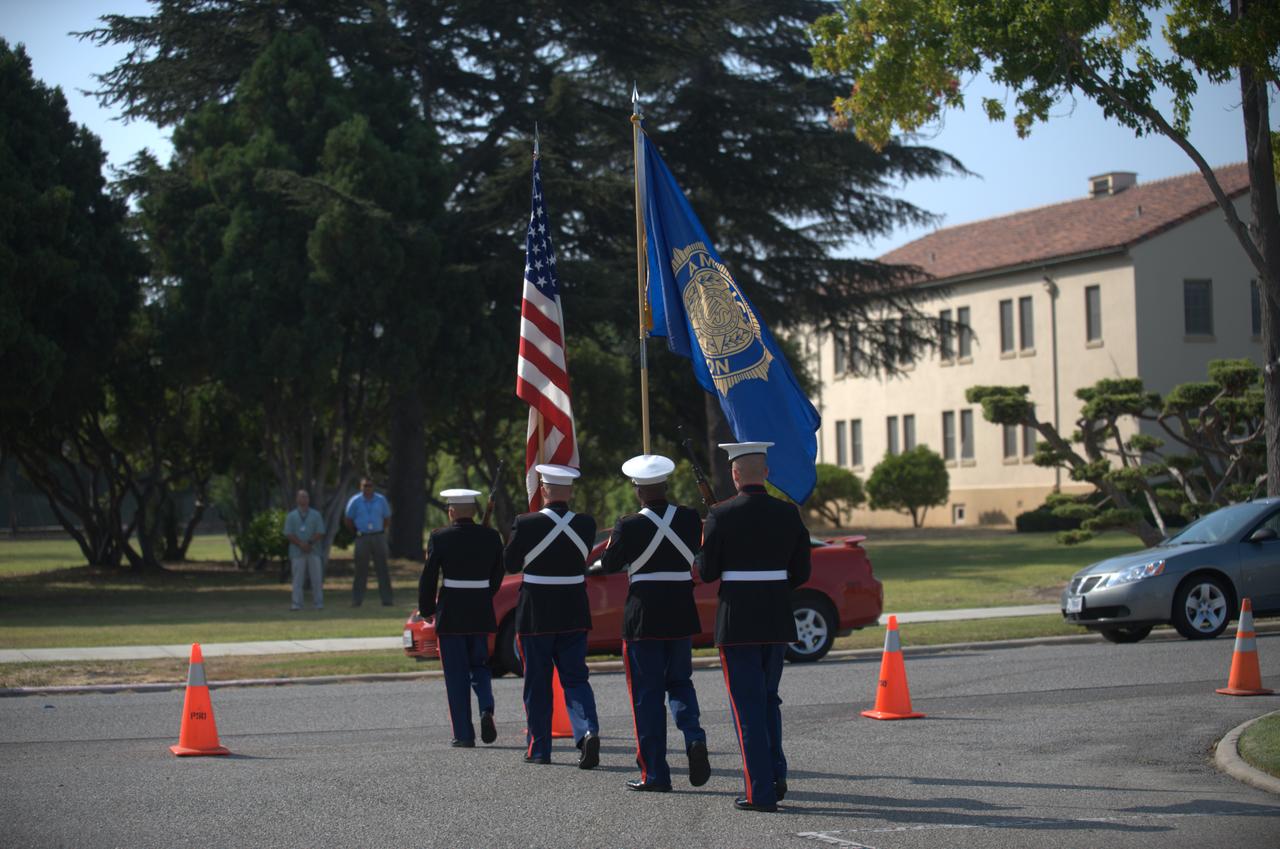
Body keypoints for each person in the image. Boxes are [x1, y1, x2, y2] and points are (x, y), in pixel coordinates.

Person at [697, 442, 811, 813]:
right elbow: (802, 572)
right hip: (776, 617)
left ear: (734, 474)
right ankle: (776, 775)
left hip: (738, 620)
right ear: (765, 472)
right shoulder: (788, 513)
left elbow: (708, 571)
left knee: (747, 706)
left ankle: (760, 791)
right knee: (768, 700)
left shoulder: (720, 514)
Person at [599, 454, 710, 793]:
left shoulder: (628, 524)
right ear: (665, 484)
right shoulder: (690, 518)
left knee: (647, 696)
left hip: (644, 617)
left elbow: (608, 565)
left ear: (638, 491)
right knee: (680, 683)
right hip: (679, 612)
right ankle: (693, 736)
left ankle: (656, 773)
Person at [502, 464, 601, 768]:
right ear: (569, 491)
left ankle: (540, 747)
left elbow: (511, 562)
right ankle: (586, 731)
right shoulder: (586, 524)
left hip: (537, 612)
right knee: (575, 678)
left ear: (543, 490)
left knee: (537, 682)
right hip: (573, 609)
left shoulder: (526, 523)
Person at [419, 488, 505, 748]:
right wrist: (483, 593)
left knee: (456, 675)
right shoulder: (491, 537)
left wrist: (426, 609)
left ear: (452, 511)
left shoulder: (440, 537)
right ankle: (486, 708)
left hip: (452, 612)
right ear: (474, 511)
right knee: (480, 665)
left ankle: (464, 734)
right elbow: (498, 574)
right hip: (480, 610)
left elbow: (429, 576)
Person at [345, 478, 393, 607]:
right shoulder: (355, 501)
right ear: (360, 487)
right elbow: (348, 519)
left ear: (373, 486)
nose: (367, 488)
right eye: (365, 485)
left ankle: (387, 600)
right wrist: (357, 532)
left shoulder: (381, 500)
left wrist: (381, 530)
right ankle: (357, 600)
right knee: (360, 570)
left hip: (378, 536)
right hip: (362, 537)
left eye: (370, 485)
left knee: (382, 569)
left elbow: (387, 518)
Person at [283, 489, 326, 611]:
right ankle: (296, 604)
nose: (304, 499)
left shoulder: (316, 515)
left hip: (314, 551)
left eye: (306, 497)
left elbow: (320, 531)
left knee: (316, 579)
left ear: (309, 499)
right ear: (297, 499)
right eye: (301, 497)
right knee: (297, 580)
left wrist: (309, 543)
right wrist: (301, 544)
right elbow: (288, 533)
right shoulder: (291, 516)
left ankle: (318, 604)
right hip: (297, 552)